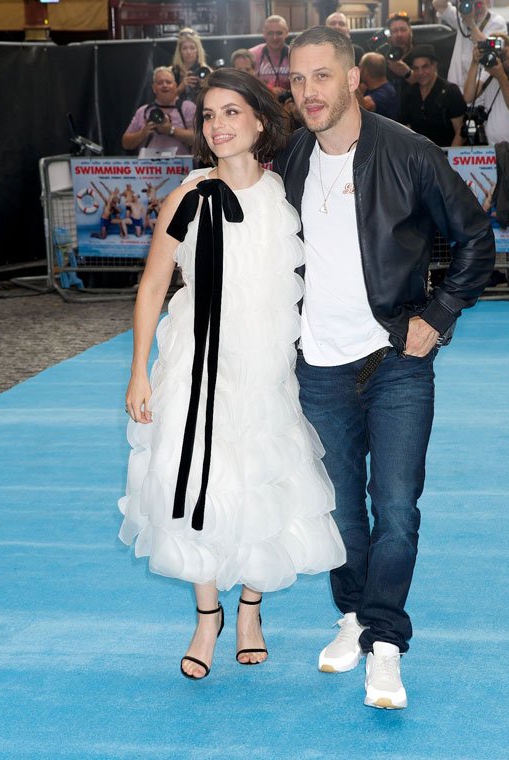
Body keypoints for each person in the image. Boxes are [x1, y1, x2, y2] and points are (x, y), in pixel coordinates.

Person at [276, 26, 495, 709]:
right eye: (297, 80)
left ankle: (386, 643)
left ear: (351, 80)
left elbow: (475, 239)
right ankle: (353, 615)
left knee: (395, 510)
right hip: (318, 370)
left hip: (396, 360)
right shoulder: (291, 163)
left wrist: (438, 314)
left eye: (320, 76)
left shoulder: (409, 152)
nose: (308, 91)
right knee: (341, 515)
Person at [119, 68, 346, 681]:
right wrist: (139, 372)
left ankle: (250, 609)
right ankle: (206, 614)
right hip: (193, 366)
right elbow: (150, 289)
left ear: (259, 121)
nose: (218, 126)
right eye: (210, 115)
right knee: (191, 482)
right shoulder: (187, 196)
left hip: (267, 368)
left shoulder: (285, 196)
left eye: (231, 113)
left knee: (255, 483)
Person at [463, 33, 509, 144]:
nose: (501, 56)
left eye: (504, 51)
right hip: (491, 149)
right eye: (497, 53)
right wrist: (474, 62)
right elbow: (468, 97)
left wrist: (501, 76)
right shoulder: (487, 74)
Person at [400, 44, 467, 146]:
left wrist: (449, 159)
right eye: (416, 68)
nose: (420, 72)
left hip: (447, 155)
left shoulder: (451, 91)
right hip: (420, 157)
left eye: (425, 67)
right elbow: (406, 132)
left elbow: (460, 132)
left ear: (434, 65)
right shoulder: (408, 94)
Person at [432, 0, 507, 91]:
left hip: (479, 90)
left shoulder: (497, 22)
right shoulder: (462, 17)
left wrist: (470, 23)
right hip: (456, 87)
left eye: (479, 4)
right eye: (472, 4)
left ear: (487, 2)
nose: (475, 8)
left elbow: (489, 48)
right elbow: (437, 4)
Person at [121, 67, 195, 156]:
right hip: (148, 168)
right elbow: (125, 143)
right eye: (160, 83)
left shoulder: (188, 107)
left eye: (168, 82)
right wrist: (142, 133)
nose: (165, 85)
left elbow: (198, 139)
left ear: (175, 85)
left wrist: (171, 130)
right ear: (153, 88)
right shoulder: (143, 111)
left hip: (181, 167)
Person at [249, 15, 291, 95]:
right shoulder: (252, 54)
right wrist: (269, 89)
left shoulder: (295, 55)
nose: (274, 38)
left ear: (286, 33)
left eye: (279, 33)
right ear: (264, 34)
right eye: (270, 33)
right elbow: (244, 82)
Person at [171, 28, 212, 104]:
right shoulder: (173, 72)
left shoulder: (206, 70)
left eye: (192, 48)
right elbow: (165, 99)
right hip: (178, 112)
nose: (189, 52)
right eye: (184, 48)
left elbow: (215, 98)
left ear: (198, 50)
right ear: (180, 51)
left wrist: (204, 86)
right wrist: (181, 87)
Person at [358, 52, 399, 120]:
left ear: (364, 71)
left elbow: (357, 108)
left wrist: (354, 82)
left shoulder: (385, 93)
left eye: (360, 67)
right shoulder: (368, 87)